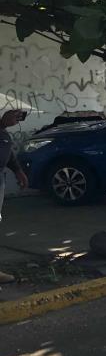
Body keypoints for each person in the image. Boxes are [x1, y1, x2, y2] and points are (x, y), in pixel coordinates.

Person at [1, 110, 29, 284]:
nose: (15, 120)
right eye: (13, 117)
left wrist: (18, 171)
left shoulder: (4, 134)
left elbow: (8, 154)